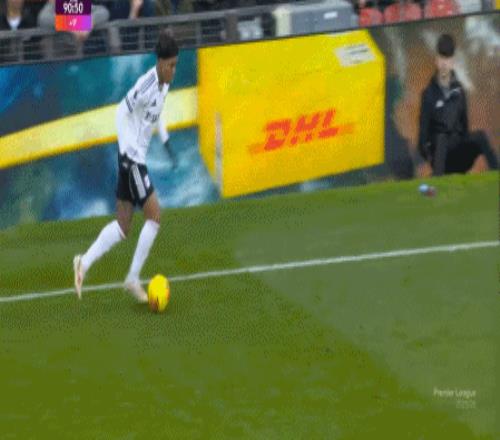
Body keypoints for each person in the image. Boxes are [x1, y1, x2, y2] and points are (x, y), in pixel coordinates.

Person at [73, 30, 178, 302]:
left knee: (122, 226)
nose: (174, 71)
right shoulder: (146, 84)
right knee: (154, 216)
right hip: (132, 160)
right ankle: (132, 279)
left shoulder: (164, 85)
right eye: (171, 65)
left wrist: (165, 140)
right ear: (160, 63)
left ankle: (83, 262)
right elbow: (121, 111)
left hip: (133, 160)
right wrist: (126, 151)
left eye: (176, 65)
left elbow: (158, 113)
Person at [418, 33, 498, 176]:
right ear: (436, 60)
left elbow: (465, 127)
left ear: (453, 61)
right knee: (441, 138)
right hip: (438, 157)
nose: (444, 64)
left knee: (480, 136)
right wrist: (430, 156)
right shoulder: (428, 94)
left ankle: (497, 176)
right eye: (441, 58)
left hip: (458, 153)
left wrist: (459, 142)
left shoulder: (459, 91)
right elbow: (422, 138)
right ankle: (438, 180)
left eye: (447, 59)